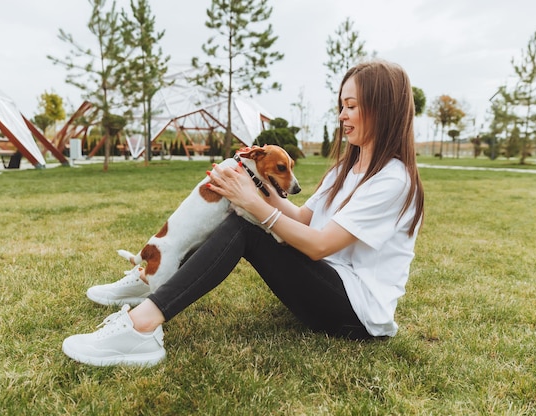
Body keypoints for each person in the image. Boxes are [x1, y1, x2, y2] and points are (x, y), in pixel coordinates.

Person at [62, 59, 425, 367]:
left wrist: (252, 203)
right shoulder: (347, 167)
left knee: (246, 226)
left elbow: (318, 247)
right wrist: (248, 187)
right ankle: (149, 276)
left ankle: (142, 327)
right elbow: (302, 220)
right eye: (342, 105)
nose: (342, 115)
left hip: (355, 314)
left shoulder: (393, 180)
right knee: (232, 208)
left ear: (383, 108)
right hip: (326, 285)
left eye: (352, 106)